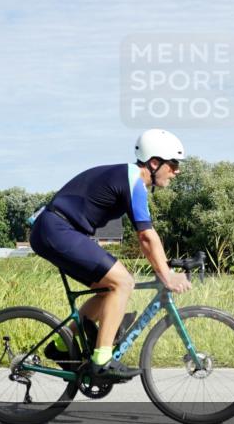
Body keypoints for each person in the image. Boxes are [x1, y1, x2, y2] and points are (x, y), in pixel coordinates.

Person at [28, 129, 192, 380]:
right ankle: (102, 359)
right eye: (173, 164)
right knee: (123, 282)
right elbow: (146, 236)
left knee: (109, 288)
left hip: (58, 230)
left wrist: (166, 264)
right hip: (57, 229)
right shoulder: (134, 180)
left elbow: (148, 237)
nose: (177, 170)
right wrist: (167, 275)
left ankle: (62, 346)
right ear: (154, 162)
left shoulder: (130, 180)